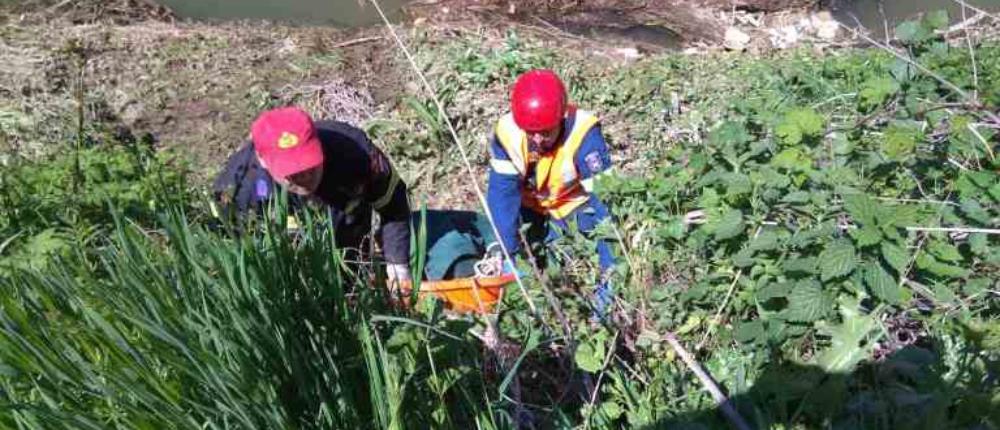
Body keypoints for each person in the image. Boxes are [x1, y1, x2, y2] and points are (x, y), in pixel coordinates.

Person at [211, 106, 412, 291]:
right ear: (263, 161)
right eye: (293, 173)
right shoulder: (238, 190)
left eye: (310, 164)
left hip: (350, 244)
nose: (306, 176)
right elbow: (232, 245)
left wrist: (397, 264)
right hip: (293, 274)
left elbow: (393, 204)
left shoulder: (356, 154)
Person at [485, 69, 616, 319]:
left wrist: (610, 266)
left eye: (545, 132)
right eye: (530, 132)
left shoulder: (585, 135)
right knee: (516, 250)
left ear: (561, 118)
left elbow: (605, 204)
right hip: (529, 209)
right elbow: (502, 198)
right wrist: (508, 254)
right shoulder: (508, 132)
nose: (537, 139)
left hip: (572, 211)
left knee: (573, 256)